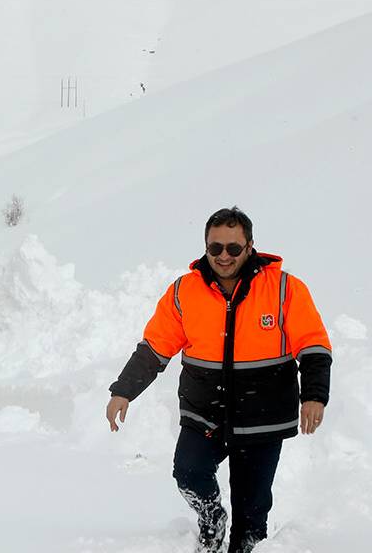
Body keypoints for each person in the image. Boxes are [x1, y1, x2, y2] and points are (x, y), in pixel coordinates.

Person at [106, 207, 331, 553]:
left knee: (252, 511)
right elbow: (155, 347)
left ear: (250, 246)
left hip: (263, 416)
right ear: (205, 247)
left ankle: (245, 545)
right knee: (188, 472)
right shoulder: (185, 291)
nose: (223, 256)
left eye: (233, 248)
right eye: (215, 248)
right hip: (205, 411)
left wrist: (314, 395)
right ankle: (212, 519)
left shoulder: (285, 288)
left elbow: (313, 345)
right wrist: (124, 390)